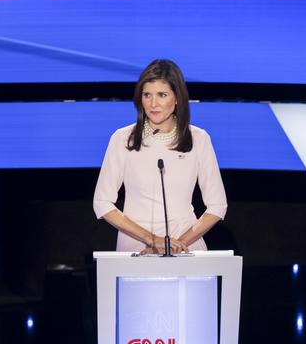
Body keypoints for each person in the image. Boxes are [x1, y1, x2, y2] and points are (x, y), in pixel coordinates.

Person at [93, 59, 227, 254]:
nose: (153, 104)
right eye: (147, 95)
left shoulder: (199, 139)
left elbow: (217, 206)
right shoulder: (123, 139)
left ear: (177, 98)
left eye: (162, 95)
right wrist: (152, 240)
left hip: (186, 247)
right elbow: (102, 203)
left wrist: (175, 245)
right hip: (135, 247)